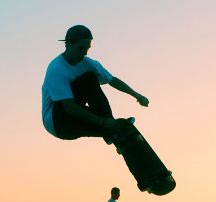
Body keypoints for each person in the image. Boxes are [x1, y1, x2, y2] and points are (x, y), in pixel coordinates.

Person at [42, 25, 154, 190]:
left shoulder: (88, 63)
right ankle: (109, 128)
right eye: (81, 48)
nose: (84, 53)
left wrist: (136, 95)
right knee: (88, 80)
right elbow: (70, 108)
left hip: (74, 113)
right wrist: (102, 121)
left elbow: (112, 80)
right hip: (58, 121)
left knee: (119, 133)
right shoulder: (56, 69)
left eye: (87, 49)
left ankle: (145, 180)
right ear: (68, 44)